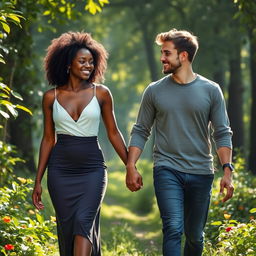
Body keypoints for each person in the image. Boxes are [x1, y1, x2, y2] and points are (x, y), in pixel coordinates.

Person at [126, 28, 234, 256]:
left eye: (167, 53)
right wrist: (130, 165)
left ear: (183, 56)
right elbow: (141, 130)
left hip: (201, 171)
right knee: (173, 228)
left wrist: (227, 171)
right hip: (167, 169)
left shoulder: (211, 90)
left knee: (195, 235)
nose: (162, 58)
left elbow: (222, 133)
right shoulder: (154, 91)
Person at [32, 32, 127, 256]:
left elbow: (113, 133)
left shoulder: (101, 93)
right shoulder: (50, 97)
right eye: (82, 61)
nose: (88, 65)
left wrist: (130, 166)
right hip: (60, 172)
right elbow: (48, 139)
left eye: (91, 61)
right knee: (68, 229)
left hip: (92, 170)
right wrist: (38, 180)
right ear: (68, 64)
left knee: (83, 222)